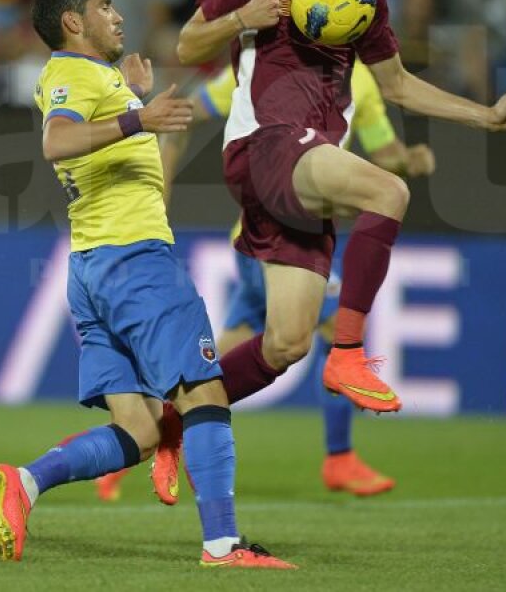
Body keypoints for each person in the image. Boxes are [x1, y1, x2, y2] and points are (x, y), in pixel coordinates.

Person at [172, 0, 506, 426]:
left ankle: (164, 428)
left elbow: (398, 86)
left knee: (285, 345)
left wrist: (486, 116)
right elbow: (187, 46)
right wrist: (240, 20)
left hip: (306, 168)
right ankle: (349, 353)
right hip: (266, 145)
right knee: (388, 193)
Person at [0, 0, 294, 570]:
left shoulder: (91, 79)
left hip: (91, 267)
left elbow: (103, 137)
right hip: (135, 261)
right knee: (205, 390)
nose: (118, 14)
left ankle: (25, 482)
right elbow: (57, 141)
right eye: (104, 5)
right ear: (73, 22)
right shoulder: (72, 74)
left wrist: (127, 96)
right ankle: (224, 546)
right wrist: (138, 117)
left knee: (141, 430)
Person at [95, 60, 437, 503]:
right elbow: (184, 112)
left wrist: (411, 160)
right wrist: (162, 167)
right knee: (333, 330)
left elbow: (387, 157)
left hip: (286, 243)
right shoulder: (267, 65)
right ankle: (339, 457)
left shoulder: (363, 82)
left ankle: (135, 437)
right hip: (271, 241)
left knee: (215, 366)